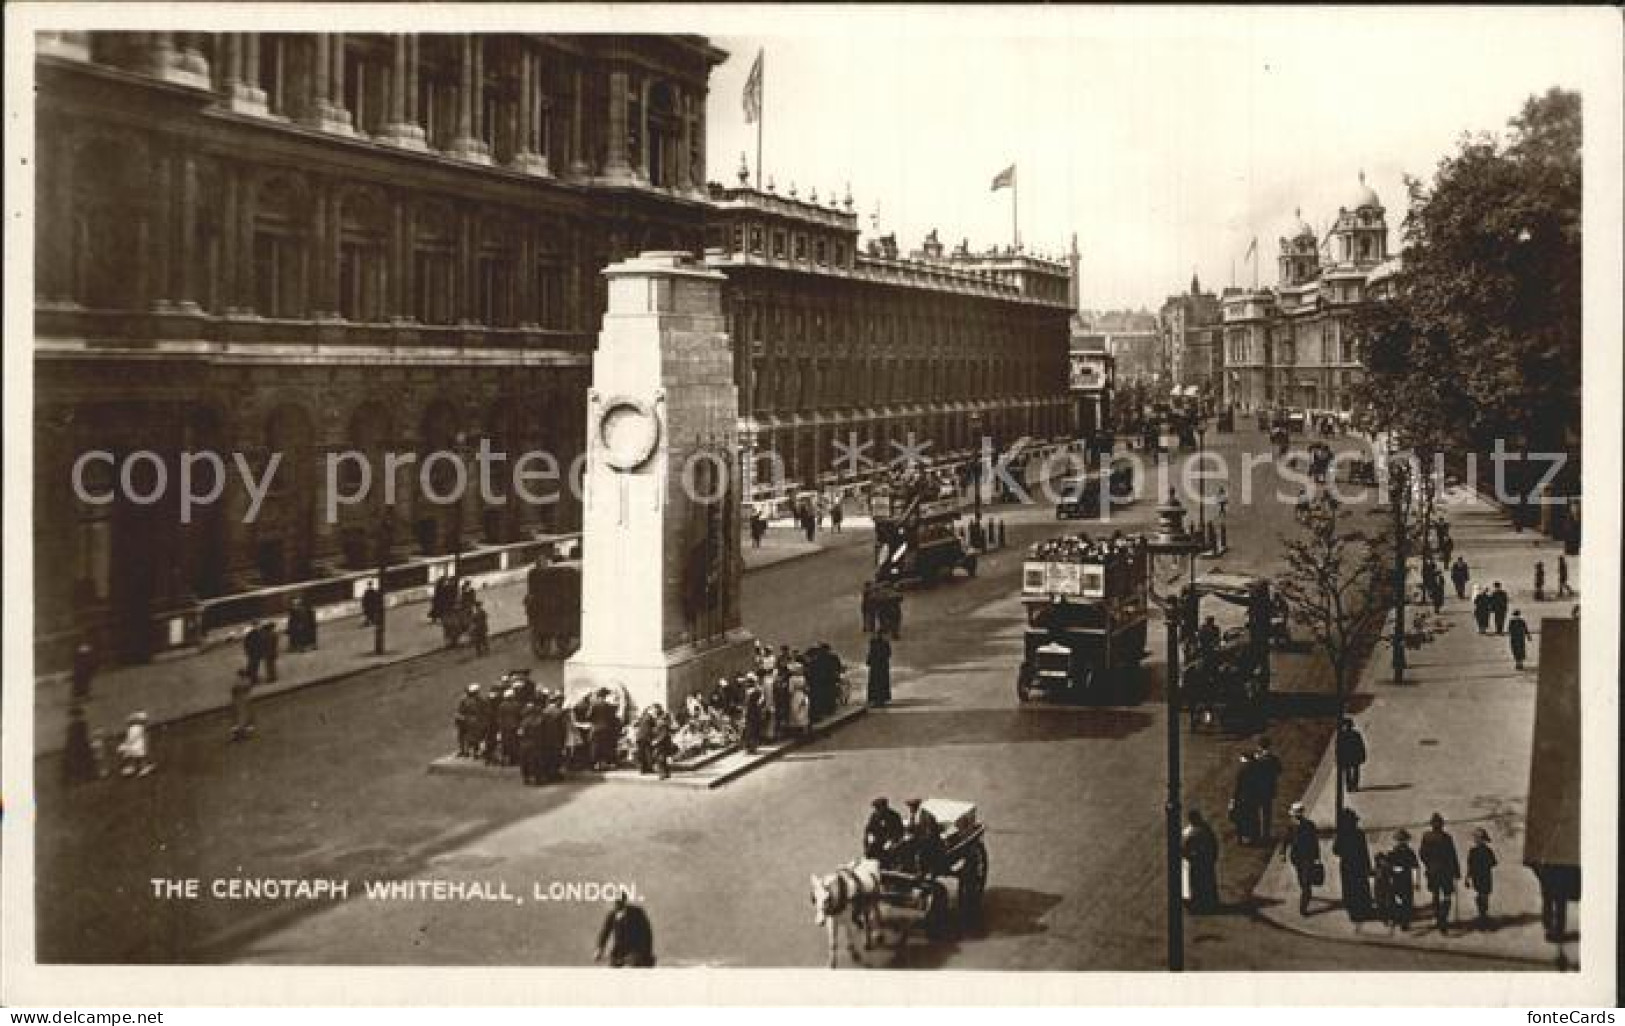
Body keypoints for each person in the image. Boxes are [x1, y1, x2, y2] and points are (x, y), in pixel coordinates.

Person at [1419, 812, 1461, 932]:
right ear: (1432, 824)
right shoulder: (1428, 837)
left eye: (1439, 823)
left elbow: (1453, 855)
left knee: (1444, 896)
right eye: (1435, 823)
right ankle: (1441, 920)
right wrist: (1429, 864)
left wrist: (1456, 871)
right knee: (1437, 896)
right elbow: (1422, 854)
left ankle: (1442, 919)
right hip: (1437, 872)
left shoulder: (1446, 837)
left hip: (1443, 871)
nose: (1437, 825)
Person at [1280, 802, 1322, 916]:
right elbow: (1285, 840)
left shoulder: (1309, 826)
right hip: (1296, 858)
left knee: (1306, 881)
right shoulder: (1292, 827)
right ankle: (1306, 892)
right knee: (1301, 880)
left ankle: (1303, 907)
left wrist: (1317, 857)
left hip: (1307, 858)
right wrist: (1282, 853)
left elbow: (1314, 842)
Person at [1333, 807, 1373, 921]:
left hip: (1346, 865)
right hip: (1359, 865)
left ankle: (1353, 913)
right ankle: (1364, 910)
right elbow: (1364, 852)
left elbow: (1336, 850)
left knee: (1349, 889)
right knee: (1360, 888)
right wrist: (1368, 867)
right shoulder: (1359, 834)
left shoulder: (1342, 834)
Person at [594, 894, 655, 967]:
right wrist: (600, 949)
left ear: (624, 901)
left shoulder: (637, 913)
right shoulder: (612, 915)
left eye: (619, 901)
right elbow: (605, 932)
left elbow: (647, 933)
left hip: (635, 950)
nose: (617, 904)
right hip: (619, 951)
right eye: (615, 901)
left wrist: (642, 952)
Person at [1180, 810, 1220, 914]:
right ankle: (1207, 903)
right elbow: (1214, 844)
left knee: (1198, 883)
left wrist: (1188, 855)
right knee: (1205, 882)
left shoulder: (1194, 832)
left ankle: (1201, 904)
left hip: (1199, 861)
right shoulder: (1204, 829)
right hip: (1203, 861)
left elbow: (1185, 847)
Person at [901, 798, 944, 876]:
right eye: (910, 807)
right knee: (903, 846)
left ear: (916, 806)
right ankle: (908, 868)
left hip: (930, 842)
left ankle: (921, 871)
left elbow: (930, 833)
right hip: (920, 840)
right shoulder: (913, 815)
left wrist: (915, 838)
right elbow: (911, 828)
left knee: (917, 850)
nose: (910, 809)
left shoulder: (926, 816)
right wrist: (908, 834)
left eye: (911, 806)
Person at [1252, 738, 1283, 843]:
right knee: (1267, 812)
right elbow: (1279, 770)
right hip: (1269, 789)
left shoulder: (1257, 759)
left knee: (1255, 812)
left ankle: (1256, 834)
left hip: (1257, 789)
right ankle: (1266, 834)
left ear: (1260, 747)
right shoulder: (1273, 759)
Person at [1465, 828, 1498, 926]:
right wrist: (1467, 877)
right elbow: (1493, 863)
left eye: (1477, 838)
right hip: (1484, 875)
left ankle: (1482, 913)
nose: (1477, 840)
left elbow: (1470, 866)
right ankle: (1483, 914)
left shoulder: (1473, 851)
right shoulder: (1487, 851)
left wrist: (1468, 877)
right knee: (1484, 894)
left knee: (1482, 894)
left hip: (1478, 876)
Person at [1229, 752, 1259, 845]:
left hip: (1243, 798)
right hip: (1254, 798)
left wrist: (1233, 799)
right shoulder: (1257, 769)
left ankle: (1240, 839)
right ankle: (1253, 838)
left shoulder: (1242, 770)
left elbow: (1238, 787)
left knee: (1240, 819)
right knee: (1253, 818)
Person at [863, 797, 905, 865]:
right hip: (879, 841)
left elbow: (899, 831)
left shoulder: (893, 816)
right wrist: (868, 841)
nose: (878, 810)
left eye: (879, 807)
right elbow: (868, 830)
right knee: (871, 851)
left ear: (885, 806)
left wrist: (892, 841)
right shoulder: (874, 816)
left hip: (892, 841)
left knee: (889, 852)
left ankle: (888, 866)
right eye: (877, 808)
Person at [64, 705, 99, 784]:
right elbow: (72, 737)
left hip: (79, 744)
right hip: (79, 744)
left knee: (81, 760)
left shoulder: (77, 725)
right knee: (81, 760)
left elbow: (74, 737)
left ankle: (85, 776)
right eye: (75, 716)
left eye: (76, 715)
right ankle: (84, 776)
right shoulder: (79, 725)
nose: (75, 717)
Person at [588, 689, 621, 770]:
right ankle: (603, 764)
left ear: (598, 696)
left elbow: (588, 716)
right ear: (605, 696)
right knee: (605, 746)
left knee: (595, 746)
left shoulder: (594, 705)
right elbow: (613, 718)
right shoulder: (609, 706)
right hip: (607, 729)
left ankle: (594, 764)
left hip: (596, 729)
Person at [117, 711, 154, 777]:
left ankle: (144, 767)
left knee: (139, 757)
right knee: (134, 756)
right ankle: (133, 767)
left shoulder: (136, 728)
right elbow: (130, 738)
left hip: (137, 745)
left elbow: (132, 738)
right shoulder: (134, 728)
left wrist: (125, 745)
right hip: (135, 745)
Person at [1335, 718, 1367, 794]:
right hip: (1349, 756)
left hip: (1353, 755)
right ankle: (1350, 786)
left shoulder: (1351, 734)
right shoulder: (1344, 735)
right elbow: (1338, 748)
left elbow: (1360, 745)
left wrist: (1362, 754)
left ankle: (1353, 786)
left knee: (1353, 771)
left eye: (1348, 725)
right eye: (1346, 725)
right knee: (1349, 772)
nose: (1347, 727)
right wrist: (1338, 757)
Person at [866, 632, 893, 708]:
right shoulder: (883, 643)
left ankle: (876, 700)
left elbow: (871, 653)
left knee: (876, 683)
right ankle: (880, 700)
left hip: (877, 666)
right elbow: (889, 654)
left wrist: (869, 661)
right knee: (880, 683)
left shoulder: (874, 643)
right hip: (881, 666)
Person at [455, 684, 483, 757]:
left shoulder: (465, 700)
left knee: (468, 736)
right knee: (471, 736)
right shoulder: (477, 700)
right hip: (470, 720)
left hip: (467, 720)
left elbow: (460, 710)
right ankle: (471, 751)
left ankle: (466, 751)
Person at [229, 671, 257, 742]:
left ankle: (239, 734)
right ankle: (244, 733)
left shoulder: (237, 682)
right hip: (244, 701)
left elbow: (233, 691)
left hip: (239, 701)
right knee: (245, 716)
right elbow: (248, 689)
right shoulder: (247, 681)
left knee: (239, 717)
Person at [741, 677, 766, 754]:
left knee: (749, 730)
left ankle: (749, 747)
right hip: (755, 713)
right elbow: (762, 702)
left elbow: (745, 703)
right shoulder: (758, 692)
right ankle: (752, 747)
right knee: (754, 730)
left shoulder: (747, 692)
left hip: (750, 713)